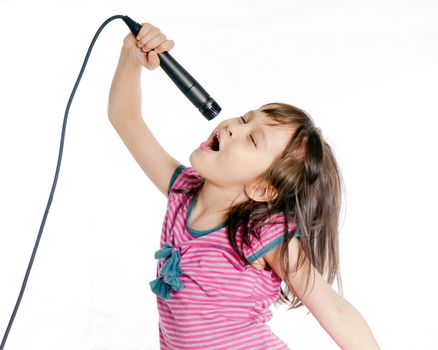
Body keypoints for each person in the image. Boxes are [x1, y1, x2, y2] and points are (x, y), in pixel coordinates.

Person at [107, 22, 381, 350]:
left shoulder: (262, 233)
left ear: (263, 190)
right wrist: (130, 57)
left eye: (252, 139)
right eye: (244, 118)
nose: (234, 126)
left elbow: (334, 310)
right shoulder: (182, 192)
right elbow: (125, 119)